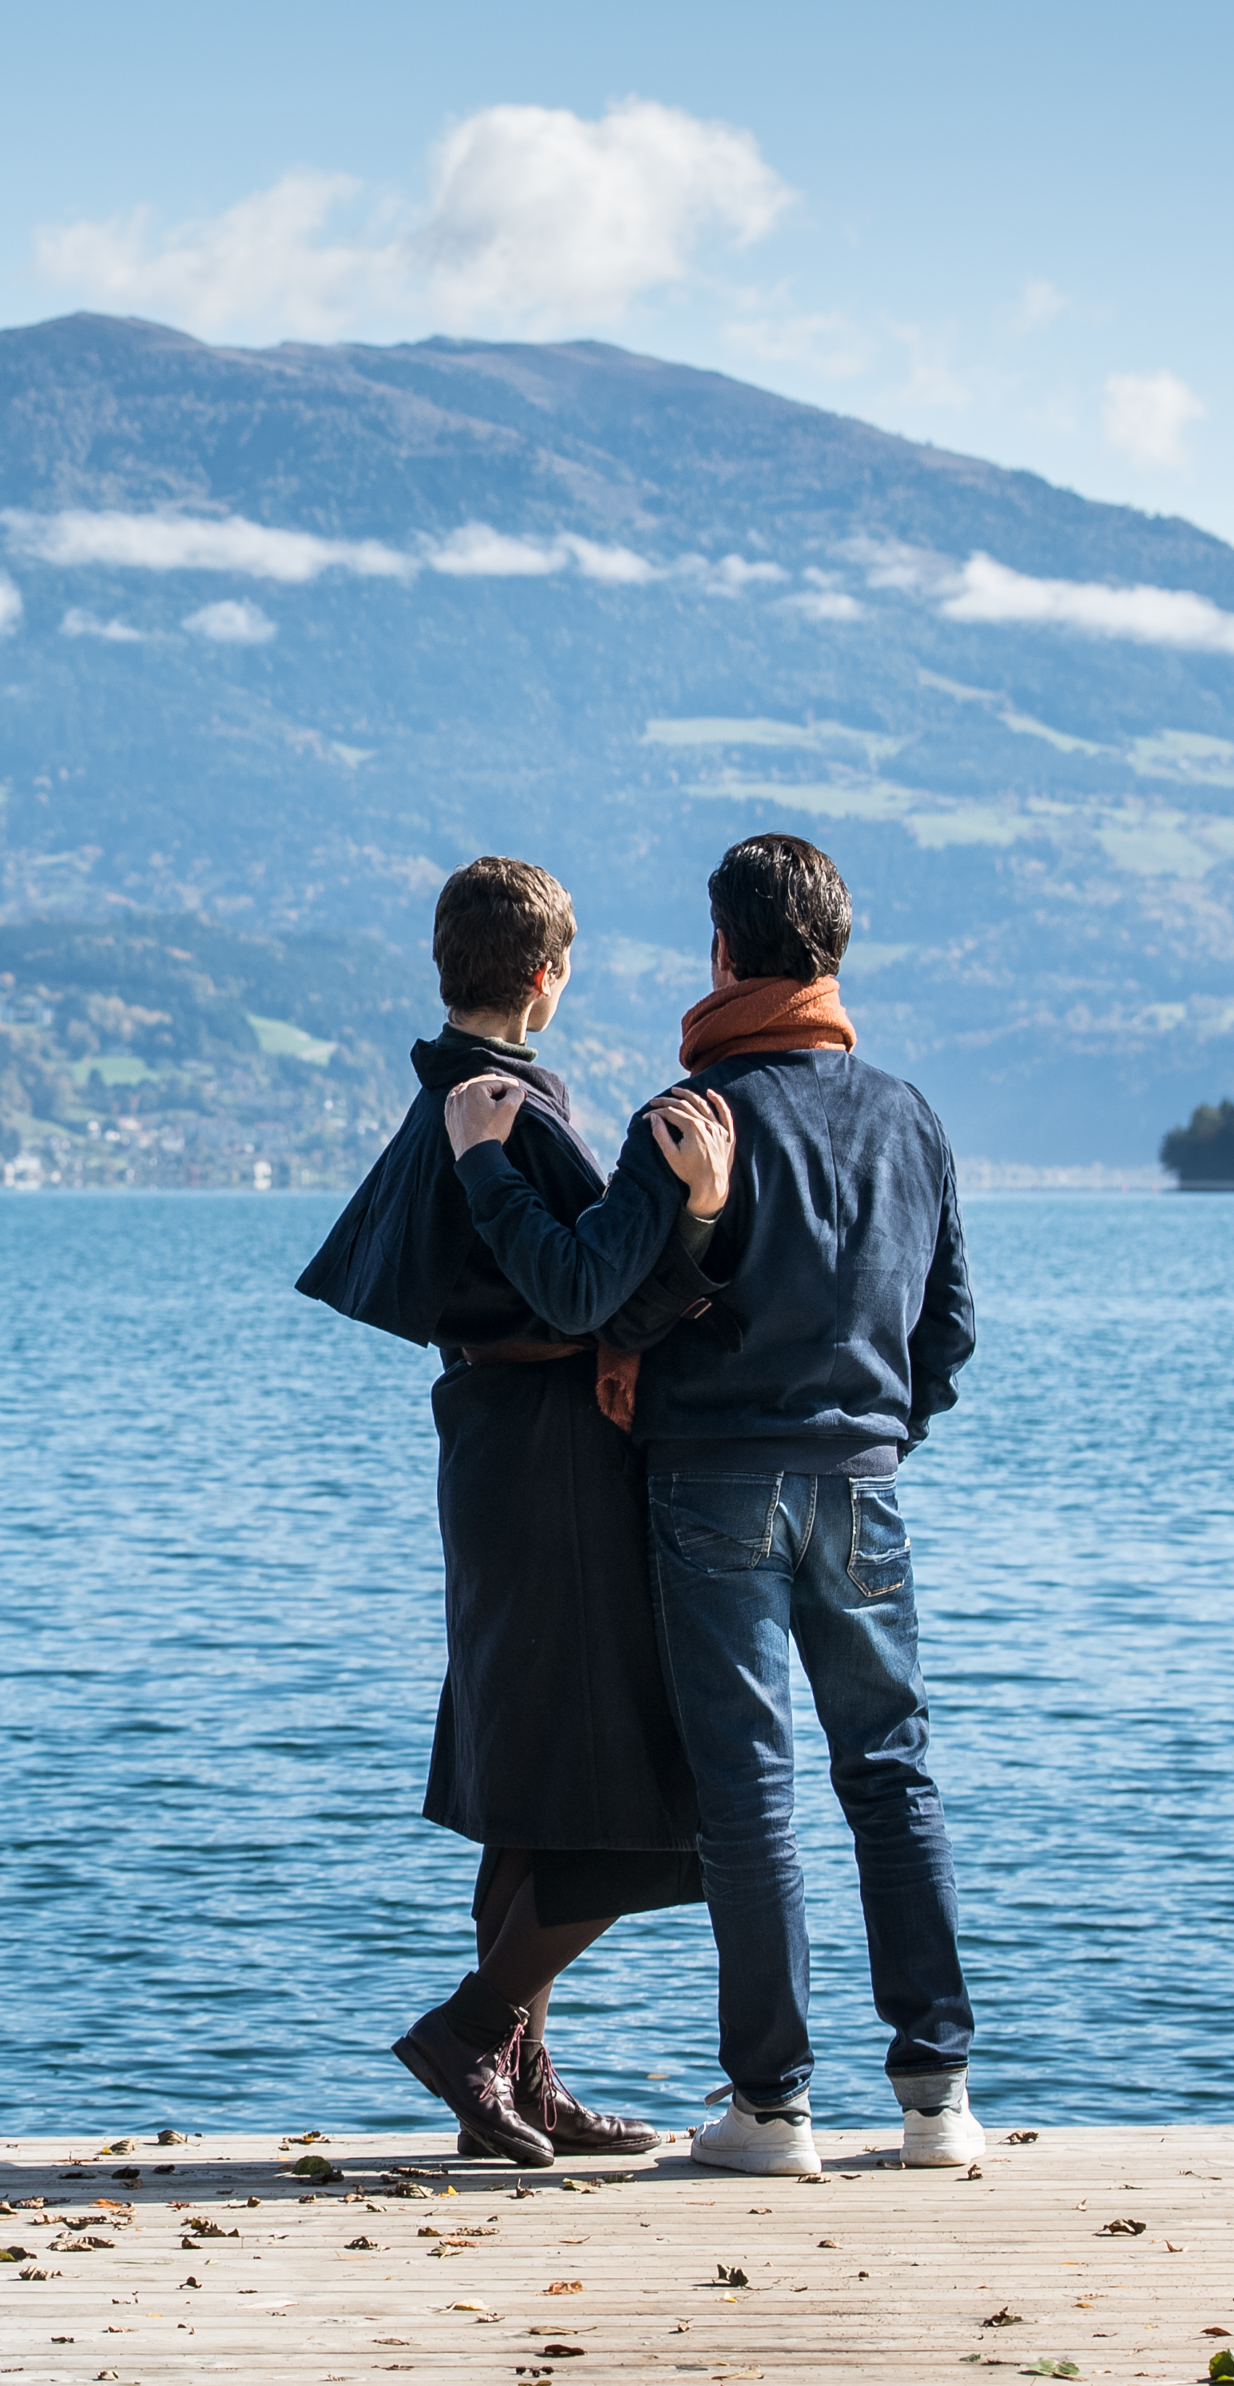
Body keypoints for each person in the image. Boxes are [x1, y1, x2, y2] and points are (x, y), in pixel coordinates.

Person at [439, 832, 979, 2179]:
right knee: (891, 1775)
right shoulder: (908, 1116)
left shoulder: (686, 1116)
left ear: (724, 954)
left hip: (712, 1486)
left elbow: (599, 1298)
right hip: (861, 1485)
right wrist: (875, 1427)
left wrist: (502, 1180)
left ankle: (772, 2108)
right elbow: (948, 1331)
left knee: (749, 1795)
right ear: (833, 955)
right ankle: (934, 2100)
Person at [298, 855, 738, 2165]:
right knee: (612, 1775)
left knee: (535, 1778)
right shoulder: (506, 1112)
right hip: (554, 1463)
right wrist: (694, 1231)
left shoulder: (441, 1101)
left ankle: (525, 2080)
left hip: (492, 1447)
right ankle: (476, 2026)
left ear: (452, 965)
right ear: (549, 975)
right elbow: (585, 1293)